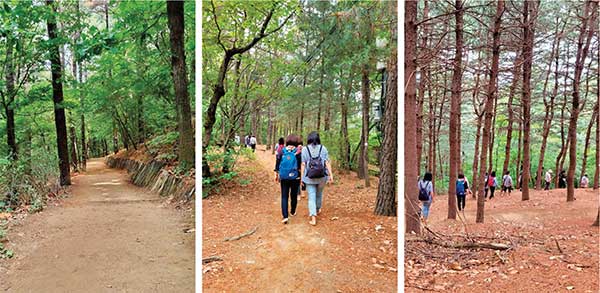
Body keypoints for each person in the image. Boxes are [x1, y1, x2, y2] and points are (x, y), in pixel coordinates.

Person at [301, 131, 333, 226]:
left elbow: (303, 164)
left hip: (309, 177)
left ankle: (313, 217)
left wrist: (302, 178)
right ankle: (318, 209)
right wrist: (331, 175)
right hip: (322, 177)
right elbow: (327, 162)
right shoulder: (323, 148)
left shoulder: (304, 149)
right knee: (319, 194)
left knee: (311, 196)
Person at [274, 135, 302, 224]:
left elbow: (277, 163)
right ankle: (293, 211)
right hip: (295, 177)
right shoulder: (298, 152)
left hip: (284, 176)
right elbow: (300, 165)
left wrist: (276, 174)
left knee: (284, 196)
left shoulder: (282, 151)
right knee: (293, 195)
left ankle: (285, 216)